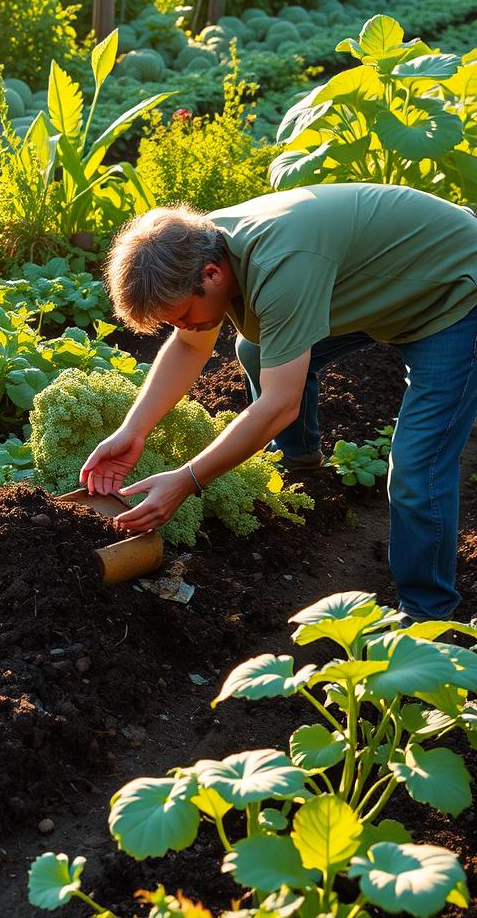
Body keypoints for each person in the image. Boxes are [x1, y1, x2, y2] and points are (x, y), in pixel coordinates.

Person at [80, 182, 477, 622]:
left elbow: (278, 405)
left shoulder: (280, 265)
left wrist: (188, 480)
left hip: (453, 291)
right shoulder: (203, 248)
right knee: (256, 349)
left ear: (211, 275)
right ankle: (299, 462)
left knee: (418, 466)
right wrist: (131, 431)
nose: (182, 326)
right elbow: (190, 347)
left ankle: (428, 615)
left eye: (181, 314)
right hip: (389, 279)